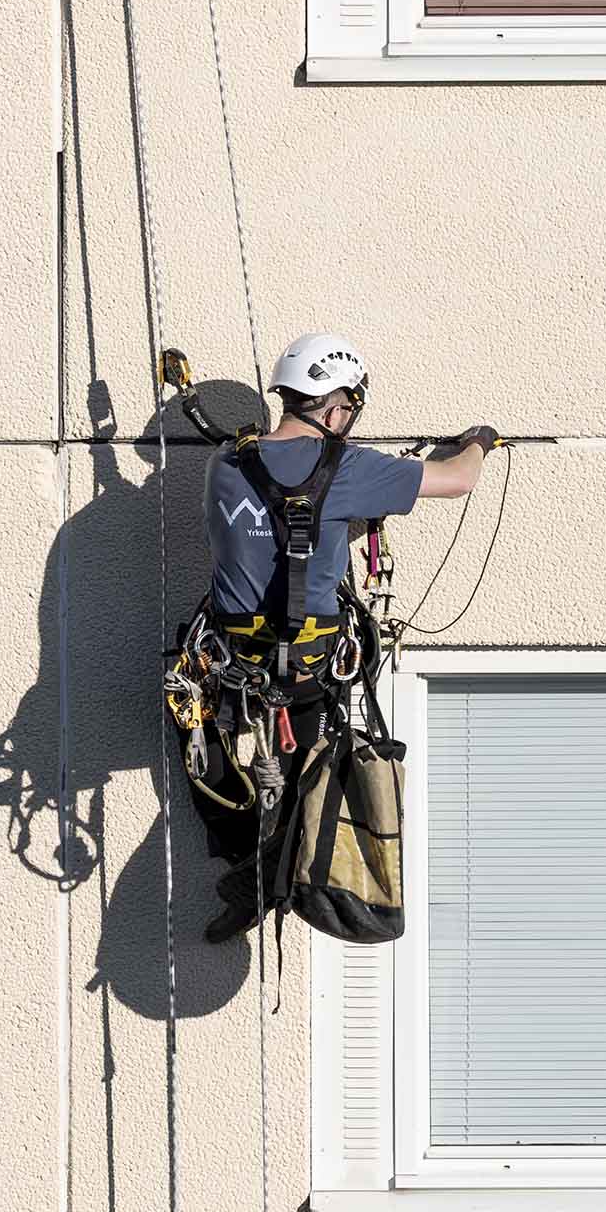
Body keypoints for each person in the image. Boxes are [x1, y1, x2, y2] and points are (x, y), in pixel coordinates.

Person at [178, 332, 496, 941]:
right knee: (307, 784)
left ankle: (247, 868)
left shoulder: (225, 463)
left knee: (217, 759)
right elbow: (459, 479)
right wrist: (479, 440)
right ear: (336, 408)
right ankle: (263, 882)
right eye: (349, 409)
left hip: (228, 667)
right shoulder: (350, 468)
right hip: (307, 670)